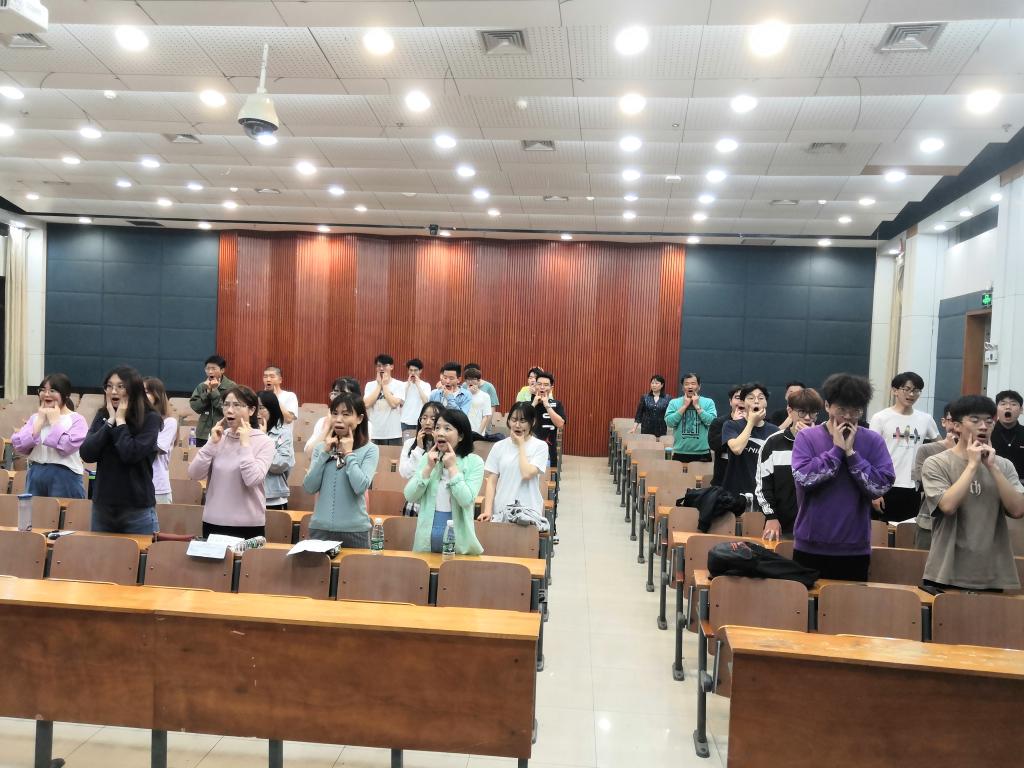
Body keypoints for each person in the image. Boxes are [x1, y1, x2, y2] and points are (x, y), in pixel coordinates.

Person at [791, 373, 895, 581]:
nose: (848, 416)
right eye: (841, 409)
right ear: (827, 406)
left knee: (850, 601)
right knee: (805, 601)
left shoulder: (873, 440)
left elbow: (881, 486)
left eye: (855, 410)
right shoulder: (807, 437)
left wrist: (851, 455)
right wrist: (836, 451)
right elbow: (804, 478)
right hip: (810, 545)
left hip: (855, 548)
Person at [922, 395, 1024, 591]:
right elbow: (947, 506)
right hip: (946, 571)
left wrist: (992, 467)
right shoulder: (937, 463)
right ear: (957, 426)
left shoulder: (1004, 465)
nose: (984, 426)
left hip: (992, 573)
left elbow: (1018, 510)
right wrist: (972, 465)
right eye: (975, 420)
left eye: (989, 421)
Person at [80, 366, 162, 534]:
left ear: (134, 389)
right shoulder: (103, 415)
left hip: (137, 509)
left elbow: (130, 453)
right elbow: (87, 453)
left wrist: (121, 421)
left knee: (140, 551)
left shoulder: (150, 418)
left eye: (120, 386)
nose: (113, 391)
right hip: (103, 508)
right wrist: (110, 422)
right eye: (109, 386)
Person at [188, 386, 275, 539]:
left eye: (236, 405)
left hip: (248, 525)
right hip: (213, 521)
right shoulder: (218, 437)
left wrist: (245, 445)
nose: (229, 410)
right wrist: (211, 444)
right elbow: (194, 474)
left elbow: (252, 479)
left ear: (251, 410)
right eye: (226, 405)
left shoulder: (264, 442)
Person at [303, 392, 379, 548]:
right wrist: (324, 453)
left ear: (359, 418)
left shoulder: (370, 449)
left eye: (346, 414)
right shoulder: (321, 449)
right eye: (334, 413)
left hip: (355, 531)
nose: (338, 419)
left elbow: (360, 487)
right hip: (320, 529)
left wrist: (349, 454)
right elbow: (309, 487)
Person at [404, 408, 484, 554]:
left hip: (459, 544)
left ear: (461, 436)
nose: (440, 433)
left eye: (447, 428)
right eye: (437, 428)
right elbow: (410, 496)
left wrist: (452, 468)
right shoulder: (428, 459)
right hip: (426, 541)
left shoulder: (474, 462)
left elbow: (466, 500)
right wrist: (428, 467)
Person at [868, 372, 939, 522]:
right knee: (882, 531)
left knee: (908, 531)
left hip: (913, 487)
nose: (911, 394)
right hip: (885, 485)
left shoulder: (926, 419)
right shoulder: (880, 418)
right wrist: (874, 492)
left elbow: (940, 447)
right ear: (895, 391)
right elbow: (870, 454)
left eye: (916, 390)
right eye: (907, 389)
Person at [756, 387, 824, 541]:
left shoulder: (825, 442)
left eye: (813, 412)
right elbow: (763, 486)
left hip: (818, 524)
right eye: (802, 412)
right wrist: (771, 516)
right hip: (781, 524)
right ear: (790, 411)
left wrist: (813, 441)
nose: (808, 418)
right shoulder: (773, 442)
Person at [11, 373, 88, 499]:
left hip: (65, 476)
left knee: (63, 511)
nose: (46, 394)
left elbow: (66, 447)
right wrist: (39, 422)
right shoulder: (35, 418)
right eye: (43, 390)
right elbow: (20, 445)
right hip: (36, 473)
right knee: (34, 511)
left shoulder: (77, 419)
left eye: (52, 391)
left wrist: (54, 422)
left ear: (66, 395)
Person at [480, 402, 549, 528]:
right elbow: (492, 481)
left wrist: (521, 445)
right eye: (514, 420)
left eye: (523, 421)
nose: (517, 425)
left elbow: (526, 473)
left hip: (529, 511)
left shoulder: (540, 446)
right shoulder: (499, 446)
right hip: (502, 509)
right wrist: (488, 511)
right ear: (508, 421)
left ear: (532, 422)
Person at [722, 383, 779, 497]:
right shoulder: (731, 425)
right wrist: (751, 422)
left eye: (761, 398)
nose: (756, 401)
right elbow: (737, 449)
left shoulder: (774, 430)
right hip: (735, 493)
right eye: (751, 398)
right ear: (743, 403)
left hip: (763, 493)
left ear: (766, 403)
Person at [912, 405, 956, 550]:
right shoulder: (926, 450)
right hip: (929, 522)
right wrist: (952, 453)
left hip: (965, 524)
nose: (956, 426)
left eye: (961, 421)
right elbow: (924, 485)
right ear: (944, 422)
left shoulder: (976, 453)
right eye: (952, 420)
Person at [399, 402, 444, 515]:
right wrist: (418, 449)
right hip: (415, 501)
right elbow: (405, 473)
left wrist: (437, 444)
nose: (427, 422)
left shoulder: (446, 446)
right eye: (424, 418)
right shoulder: (410, 444)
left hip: (437, 503)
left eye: (433, 419)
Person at [664, 373, 717, 462]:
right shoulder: (674, 402)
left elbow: (712, 422)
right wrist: (684, 406)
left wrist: (697, 406)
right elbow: (670, 423)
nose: (690, 386)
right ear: (682, 387)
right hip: (680, 451)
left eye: (693, 383)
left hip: (702, 453)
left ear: (699, 386)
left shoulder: (708, 402)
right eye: (686, 384)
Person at [257, 390, 294, 510]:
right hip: (249, 496)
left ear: (272, 409)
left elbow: (281, 465)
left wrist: (263, 439)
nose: (257, 412)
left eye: (261, 408)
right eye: (254, 407)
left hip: (274, 498)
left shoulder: (284, 433)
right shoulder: (247, 432)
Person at [143, 377, 178, 504]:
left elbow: (158, 448)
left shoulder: (169, 422)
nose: (142, 396)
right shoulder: (135, 420)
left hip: (157, 487)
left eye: (146, 392)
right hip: (136, 486)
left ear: (157, 395)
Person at [304, 377, 360, 456]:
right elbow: (309, 454)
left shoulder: (363, 424)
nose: (337, 397)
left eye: (343, 393)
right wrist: (327, 428)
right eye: (335, 393)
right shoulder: (322, 421)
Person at [189, 354, 236, 447]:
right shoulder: (202, 386)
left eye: (213, 369)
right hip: (203, 433)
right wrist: (207, 392)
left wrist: (214, 391)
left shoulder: (231, 386)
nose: (210, 372)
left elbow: (228, 410)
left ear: (222, 370)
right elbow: (196, 407)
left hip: (223, 432)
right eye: (207, 369)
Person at [362, 353, 405, 446]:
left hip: (393, 433)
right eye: (379, 366)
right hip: (374, 433)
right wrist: (379, 385)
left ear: (391, 367)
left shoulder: (400, 385)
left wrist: (384, 385)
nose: (381, 368)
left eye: (385, 365)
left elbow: (393, 404)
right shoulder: (370, 385)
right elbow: (366, 404)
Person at [708, 386, 743, 487]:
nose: (741, 401)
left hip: (747, 480)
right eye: (737, 397)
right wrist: (733, 424)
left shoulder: (754, 424)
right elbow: (714, 445)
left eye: (745, 398)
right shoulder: (719, 422)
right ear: (730, 401)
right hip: (723, 478)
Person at [531, 371, 566, 470]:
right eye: (539, 384)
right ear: (535, 386)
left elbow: (560, 424)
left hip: (549, 451)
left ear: (551, 388)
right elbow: (523, 421)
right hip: (529, 450)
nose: (542, 387)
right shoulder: (527, 404)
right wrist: (534, 404)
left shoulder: (557, 404)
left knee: (549, 478)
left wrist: (547, 405)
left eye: (546, 385)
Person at [992, 389, 1024, 476]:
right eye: (1003, 404)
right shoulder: (987, 433)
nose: (1008, 407)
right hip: (992, 481)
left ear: (1021, 410)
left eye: (1013, 404)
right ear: (996, 409)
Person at [400, 358, 431, 442]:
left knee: (420, 444)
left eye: (415, 370)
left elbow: (426, 402)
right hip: (405, 422)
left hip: (420, 422)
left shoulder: (426, 385)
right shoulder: (403, 385)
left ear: (420, 371)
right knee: (406, 445)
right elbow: (400, 402)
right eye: (411, 370)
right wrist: (408, 386)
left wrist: (418, 385)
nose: (413, 373)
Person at [463, 367, 493, 436]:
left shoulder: (485, 396)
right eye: (468, 379)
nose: (470, 381)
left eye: (473, 379)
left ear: (478, 380)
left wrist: (479, 433)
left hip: (478, 431)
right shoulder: (462, 394)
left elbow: (486, 416)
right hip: (463, 430)